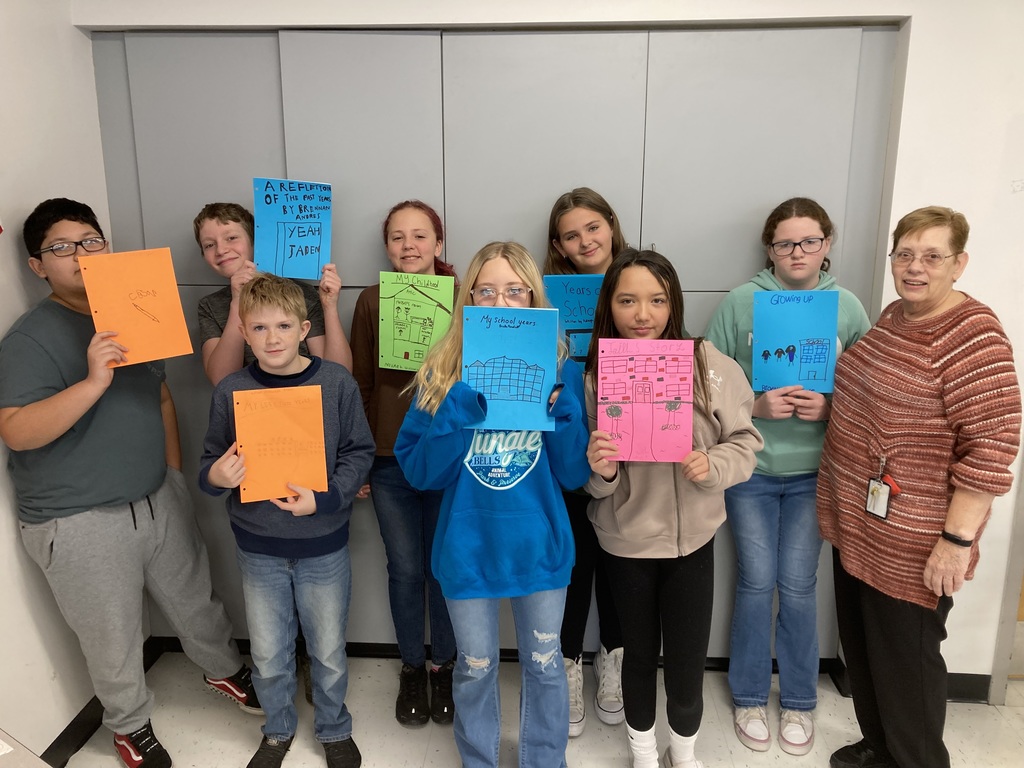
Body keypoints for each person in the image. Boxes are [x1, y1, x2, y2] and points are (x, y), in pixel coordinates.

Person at [0, 198, 258, 768]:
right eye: (62, 248)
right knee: (111, 636)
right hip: (76, 519)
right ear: (38, 266)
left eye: (92, 241)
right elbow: (16, 431)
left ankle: (227, 673)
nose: (82, 255)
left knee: (196, 598)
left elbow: (160, 395)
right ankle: (128, 725)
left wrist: (169, 474)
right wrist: (94, 380)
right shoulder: (29, 338)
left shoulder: (133, 309)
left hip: (155, 496)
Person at [818, 206, 1021, 768]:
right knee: (865, 651)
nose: (914, 267)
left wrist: (954, 542)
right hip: (863, 528)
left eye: (932, 256)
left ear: (959, 263)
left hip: (916, 542)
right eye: (904, 253)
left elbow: (991, 450)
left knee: (906, 664)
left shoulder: (973, 338)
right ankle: (881, 746)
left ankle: (916, 759)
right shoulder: (895, 316)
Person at [394, 241, 590, 768]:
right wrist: (455, 408)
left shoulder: (561, 369)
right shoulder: (441, 371)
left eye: (514, 291)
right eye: (487, 290)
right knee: (476, 667)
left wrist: (567, 412)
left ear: (533, 299)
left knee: (546, 666)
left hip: (541, 550)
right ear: (468, 301)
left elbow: (575, 474)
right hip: (467, 551)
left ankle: (544, 760)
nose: (501, 302)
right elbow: (418, 472)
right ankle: (478, 759)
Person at [704, 197, 870, 755]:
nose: (797, 252)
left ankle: (799, 701)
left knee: (798, 587)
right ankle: (749, 694)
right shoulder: (740, 302)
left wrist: (831, 408)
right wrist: (753, 405)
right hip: (751, 468)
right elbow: (708, 384)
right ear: (768, 248)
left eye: (809, 242)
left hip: (815, 471)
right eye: (784, 243)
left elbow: (871, 390)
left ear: (827, 244)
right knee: (755, 582)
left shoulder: (846, 306)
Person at [585, 249, 762, 768]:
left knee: (686, 660)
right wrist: (604, 471)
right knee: (636, 657)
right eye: (628, 300)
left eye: (657, 300)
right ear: (610, 307)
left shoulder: (708, 364)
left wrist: (714, 463)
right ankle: (642, 751)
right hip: (625, 541)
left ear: (673, 303)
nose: (643, 314)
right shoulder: (598, 375)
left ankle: (683, 752)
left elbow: (747, 441)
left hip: (692, 543)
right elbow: (589, 483)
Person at [199, 273, 374, 768]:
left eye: (282, 326)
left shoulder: (335, 382)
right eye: (258, 328)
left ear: (303, 328)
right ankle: (276, 729)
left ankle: (334, 727)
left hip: (323, 544)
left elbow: (358, 452)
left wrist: (325, 499)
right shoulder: (231, 390)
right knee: (271, 653)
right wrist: (218, 473)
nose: (271, 339)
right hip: (258, 548)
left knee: (327, 649)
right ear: (243, 330)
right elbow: (209, 464)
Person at [350, 200, 458, 726]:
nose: (409, 245)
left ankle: (445, 667)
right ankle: (412, 666)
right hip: (390, 459)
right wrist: (363, 457)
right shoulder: (371, 301)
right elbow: (363, 387)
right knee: (405, 569)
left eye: (420, 236)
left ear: (440, 244)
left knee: (444, 568)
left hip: (451, 458)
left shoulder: (464, 300)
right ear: (387, 247)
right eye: (397, 237)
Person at [544, 187, 628, 735]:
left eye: (593, 227)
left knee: (621, 569)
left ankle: (613, 664)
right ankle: (569, 668)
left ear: (612, 227)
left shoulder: (640, 282)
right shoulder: (543, 298)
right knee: (574, 569)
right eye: (572, 234)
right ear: (559, 246)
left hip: (629, 448)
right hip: (568, 447)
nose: (586, 240)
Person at [193, 202, 352, 386]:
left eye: (231, 238)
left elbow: (339, 376)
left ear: (255, 240)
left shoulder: (302, 295)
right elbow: (221, 379)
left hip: (304, 406)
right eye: (209, 245)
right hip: (249, 410)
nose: (221, 250)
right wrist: (237, 302)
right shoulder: (210, 306)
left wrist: (330, 307)